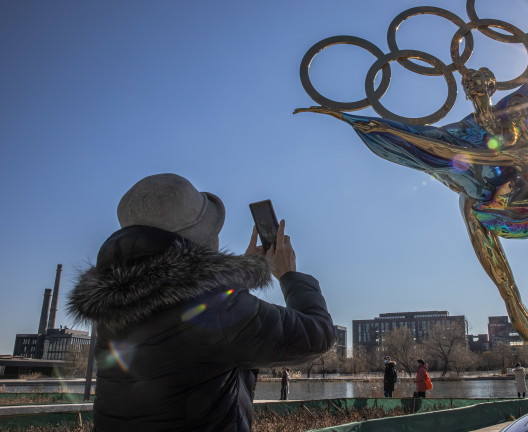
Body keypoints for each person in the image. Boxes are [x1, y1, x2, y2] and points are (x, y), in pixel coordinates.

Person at [296, 3, 528, 402]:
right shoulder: (461, 131)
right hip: (483, 212)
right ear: (466, 92)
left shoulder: (515, 107)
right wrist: (361, 121)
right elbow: (419, 139)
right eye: (470, 84)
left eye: (481, 81)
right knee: (509, 292)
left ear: (491, 87)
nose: (476, 87)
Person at [67, 173, 335, 432]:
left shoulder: (115, 306)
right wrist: (290, 275)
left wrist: (238, 277)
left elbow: (189, 337)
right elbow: (317, 335)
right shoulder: (214, 310)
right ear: (199, 239)